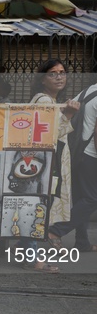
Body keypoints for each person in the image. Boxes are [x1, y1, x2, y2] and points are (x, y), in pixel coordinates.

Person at [12, 59, 80, 273]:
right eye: (53, 73)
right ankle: (31, 258)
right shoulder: (44, 101)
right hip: (41, 164)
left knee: (36, 207)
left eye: (62, 72)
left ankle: (26, 251)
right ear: (43, 79)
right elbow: (45, 137)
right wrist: (68, 116)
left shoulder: (50, 100)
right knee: (36, 207)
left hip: (42, 163)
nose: (59, 77)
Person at [47, 66, 97, 254]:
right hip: (91, 155)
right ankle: (56, 231)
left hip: (76, 153)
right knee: (91, 199)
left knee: (80, 199)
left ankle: (82, 242)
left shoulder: (89, 90)